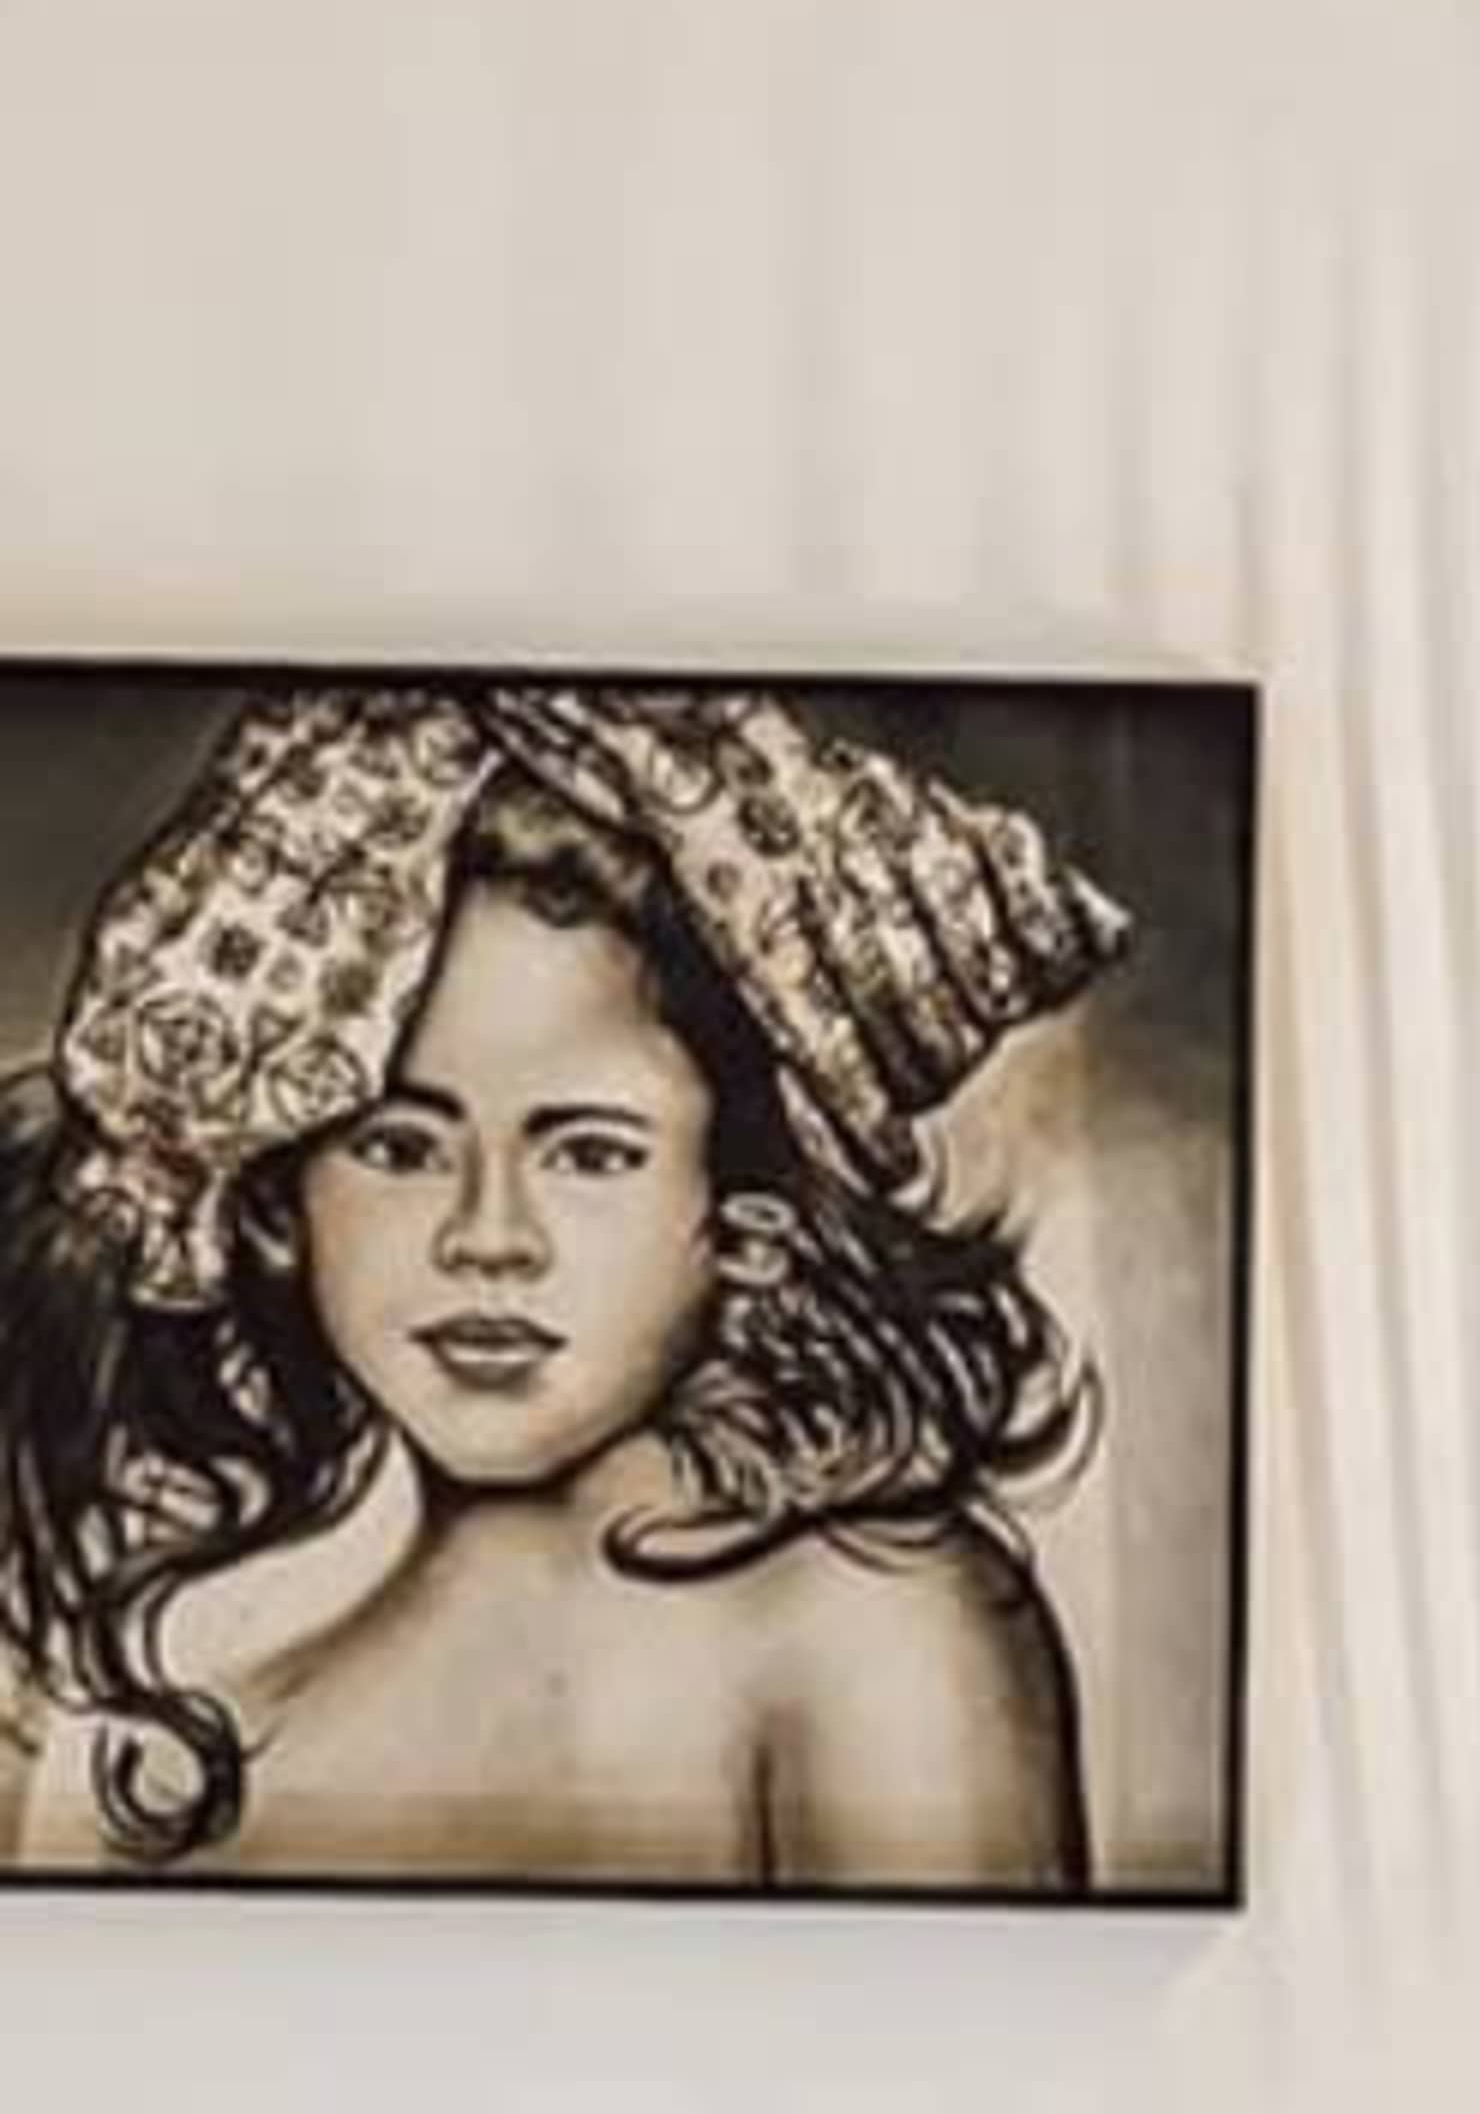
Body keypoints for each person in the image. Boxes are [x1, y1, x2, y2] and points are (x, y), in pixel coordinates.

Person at [0, 678, 1124, 1889]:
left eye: (589, 1153)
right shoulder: (163, 1675)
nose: (489, 1239)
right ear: (278, 1205)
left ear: (748, 1213)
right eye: (401, 1147)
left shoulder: (874, 1621)